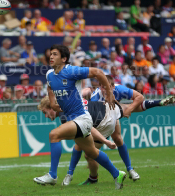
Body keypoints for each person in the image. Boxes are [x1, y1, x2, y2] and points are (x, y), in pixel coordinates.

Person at [33, 45, 126, 190]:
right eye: (50, 54)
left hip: (82, 118)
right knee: (92, 152)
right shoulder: (49, 74)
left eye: (55, 54)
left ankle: (52, 175)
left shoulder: (71, 71)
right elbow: (50, 86)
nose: (51, 56)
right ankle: (117, 174)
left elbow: (98, 72)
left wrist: (110, 93)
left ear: (64, 59)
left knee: (54, 134)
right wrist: (52, 102)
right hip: (75, 120)